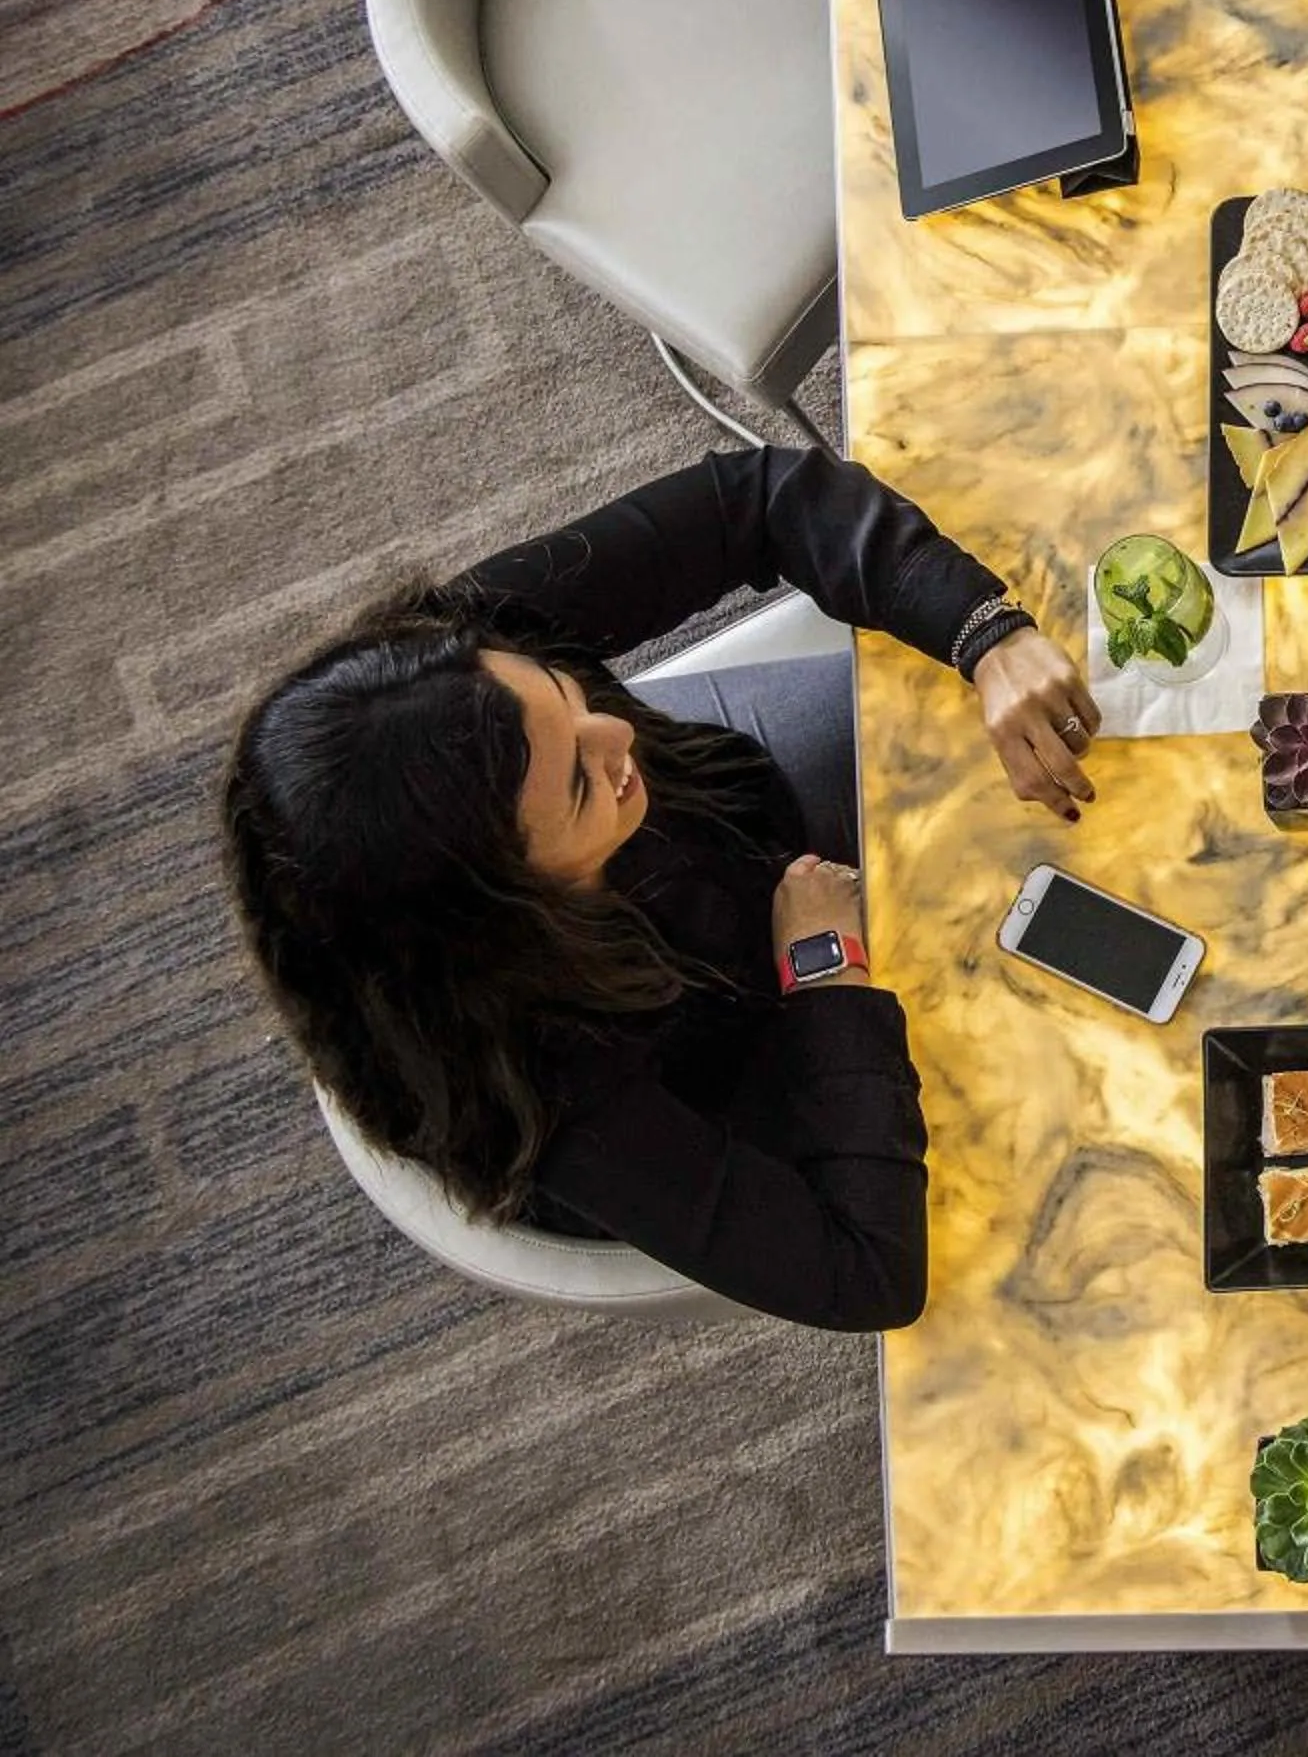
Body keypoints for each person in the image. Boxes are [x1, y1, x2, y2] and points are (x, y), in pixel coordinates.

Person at [222, 446, 1099, 1331]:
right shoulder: (546, 1092)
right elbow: (867, 1269)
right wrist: (825, 967)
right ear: (497, 906)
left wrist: (985, 636)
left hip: (729, 807)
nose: (619, 731)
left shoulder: (459, 680)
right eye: (577, 778)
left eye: (567, 695)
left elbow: (756, 498)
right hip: (739, 1055)